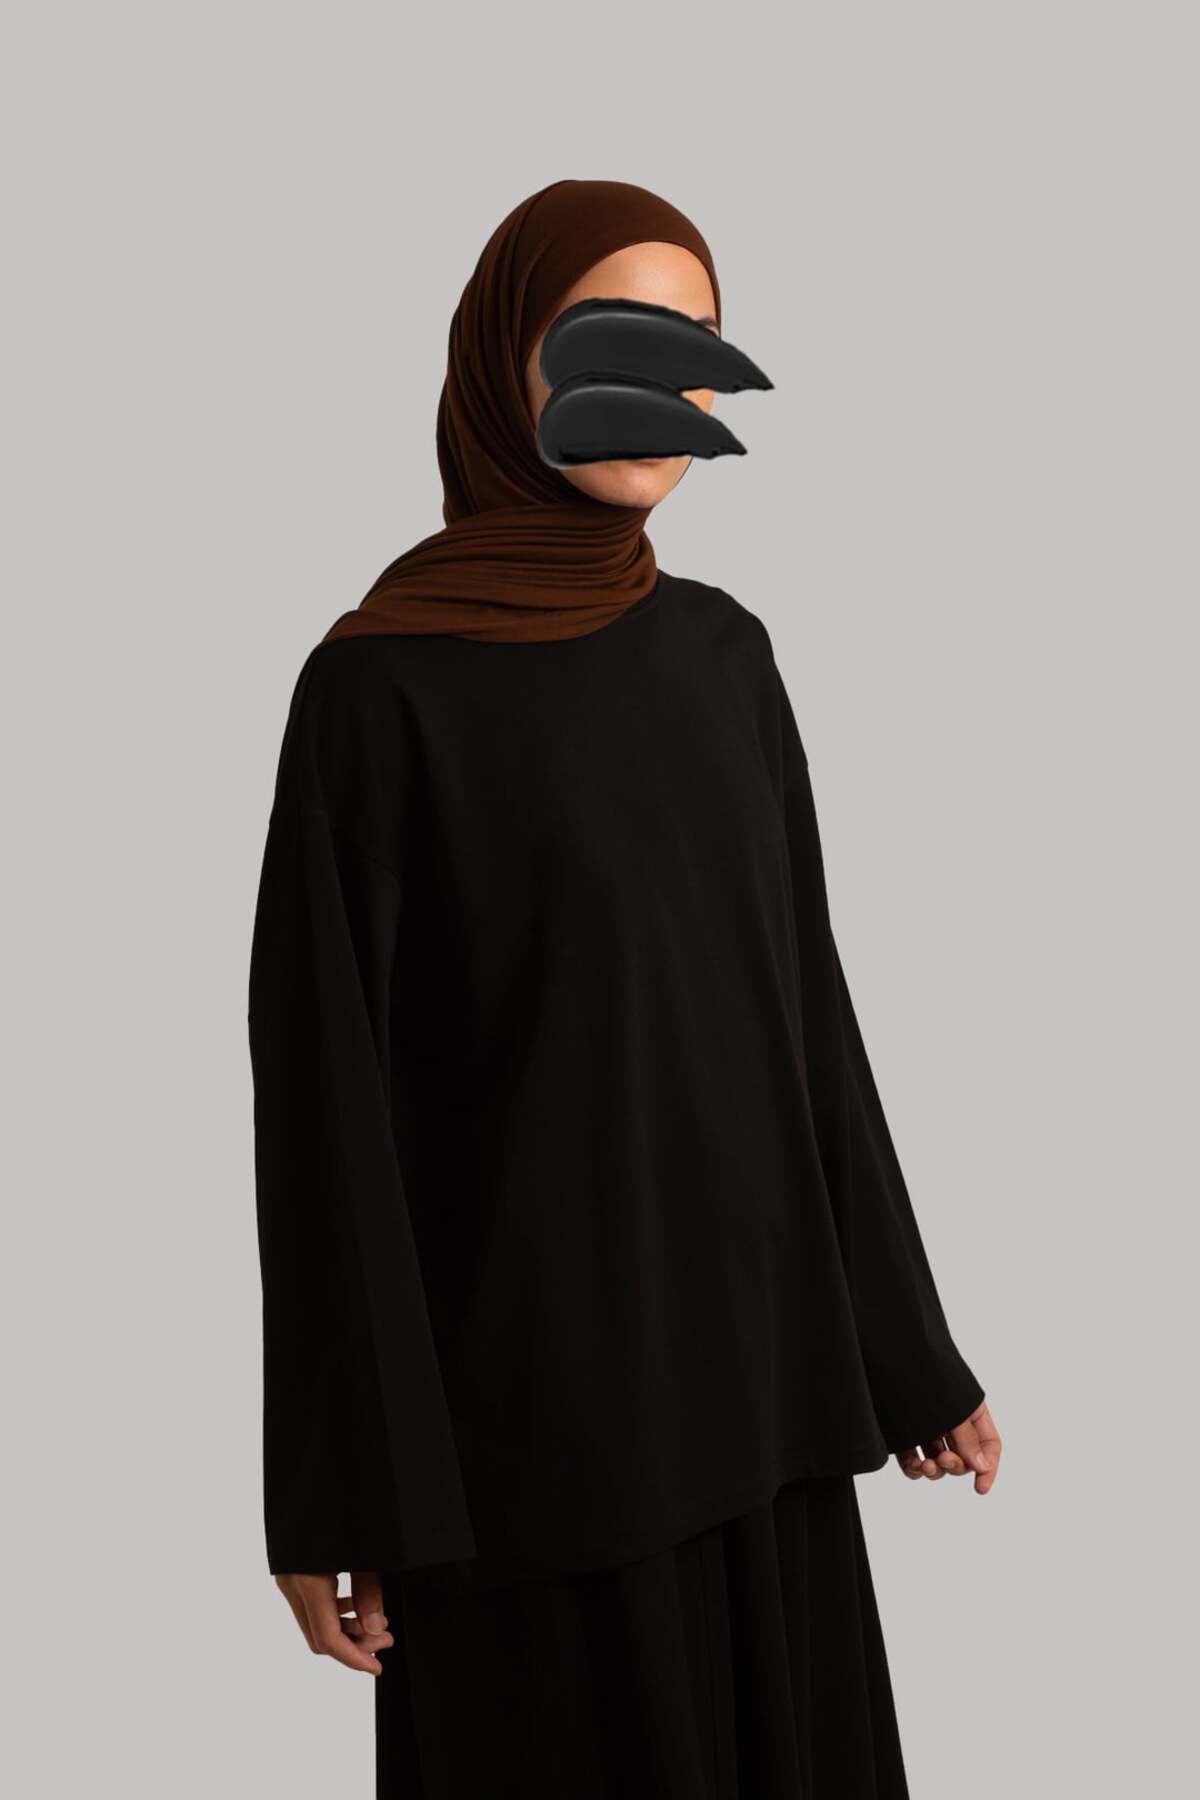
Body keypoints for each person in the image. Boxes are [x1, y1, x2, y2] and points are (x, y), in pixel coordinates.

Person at [248, 177, 1002, 1800]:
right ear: (506, 361)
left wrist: (910, 1354)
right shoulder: (378, 692)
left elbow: (805, 1023)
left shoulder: (725, 658)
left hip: (764, 1410)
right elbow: (327, 1118)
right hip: (526, 1460)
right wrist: (332, 1487)